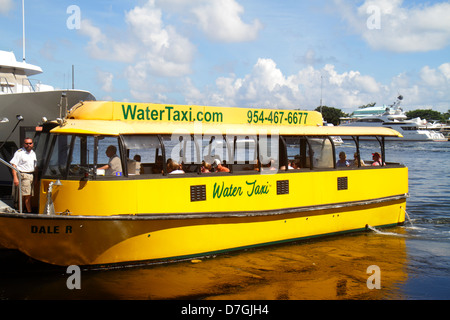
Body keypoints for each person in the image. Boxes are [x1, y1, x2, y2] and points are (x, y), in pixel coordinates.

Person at [10, 137, 37, 213]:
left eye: (30, 143)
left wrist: (36, 178)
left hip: (31, 175)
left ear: (33, 144)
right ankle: (27, 212)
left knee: (29, 195)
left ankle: (23, 210)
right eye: (27, 143)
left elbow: (35, 166)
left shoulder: (33, 153)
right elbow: (13, 165)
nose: (29, 145)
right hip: (24, 175)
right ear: (23, 144)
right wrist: (15, 177)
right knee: (25, 196)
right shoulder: (20, 153)